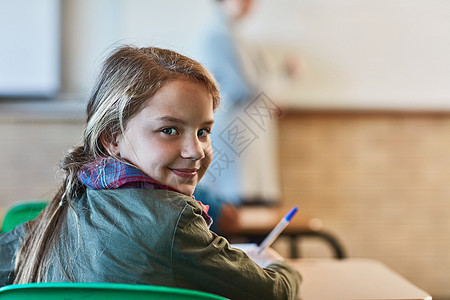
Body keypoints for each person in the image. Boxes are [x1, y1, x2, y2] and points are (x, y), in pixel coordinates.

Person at [0, 45, 301, 299]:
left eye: (204, 131)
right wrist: (279, 266)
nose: (195, 150)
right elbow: (274, 292)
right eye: (169, 130)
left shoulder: (61, 213)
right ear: (112, 138)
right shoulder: (175, 223)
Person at [192, 0, 281, 218]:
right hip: (235, 128)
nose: (249, 3)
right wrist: (278, 81)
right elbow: (244, 85)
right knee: (237, 199)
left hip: (248, 127)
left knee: (255, 198)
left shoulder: (239, 37)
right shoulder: (217, 35)